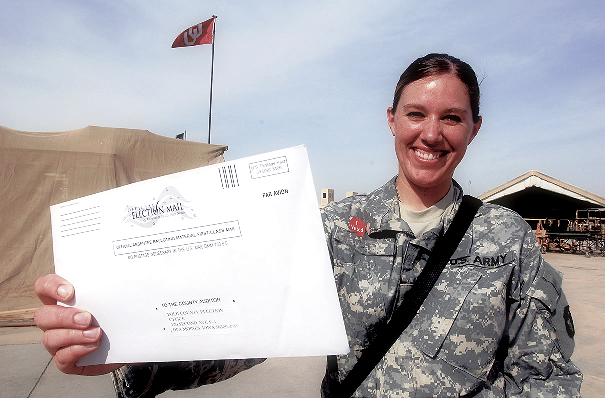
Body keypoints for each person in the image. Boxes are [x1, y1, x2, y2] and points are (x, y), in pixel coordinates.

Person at [34, 53, 582, 397]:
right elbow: (248, 330)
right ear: (391, 120)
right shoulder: (337, 228)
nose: (431, 133)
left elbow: (548, 376)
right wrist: (127, 349)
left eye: (452, 118)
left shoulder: (507, 240)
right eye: (416, 113)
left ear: (474, 129)